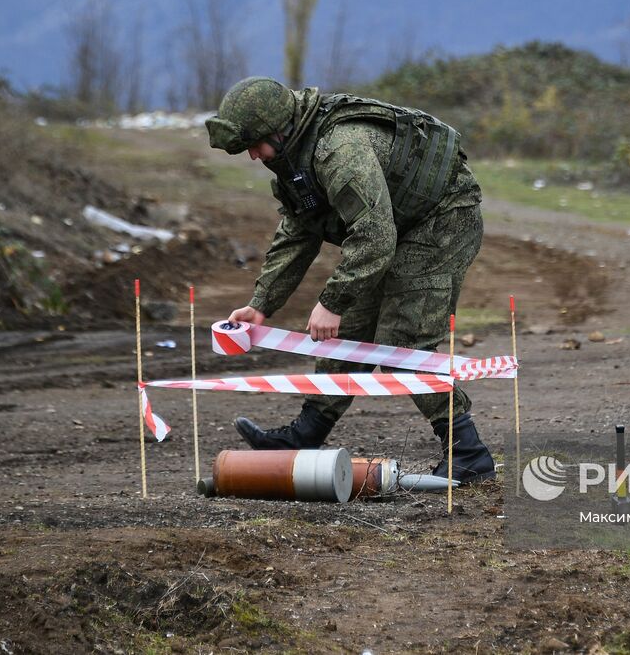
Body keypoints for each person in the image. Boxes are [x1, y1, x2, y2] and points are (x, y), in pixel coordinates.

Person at [205, 76, 496, 483]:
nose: (253, 156)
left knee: (403, 343)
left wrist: (333, 301)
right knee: (352, 336)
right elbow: (297, 233)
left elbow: (375, 237)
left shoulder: (339, 150)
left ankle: (469, 453)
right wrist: (262, 304)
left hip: (442, 220)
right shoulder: (294, 160)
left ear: (280, 131)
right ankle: (305, 435)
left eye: (256, 145)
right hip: (398, 224)